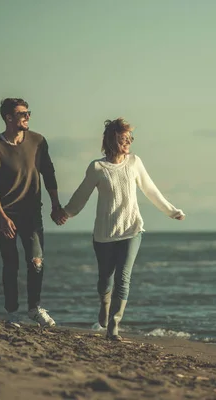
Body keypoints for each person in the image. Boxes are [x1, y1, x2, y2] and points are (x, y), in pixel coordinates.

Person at [54, 118, 185, 341]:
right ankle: (104, 304)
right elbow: (81, 194)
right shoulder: (97, 167)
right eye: (124, 138)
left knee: (123, 278)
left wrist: (172, 211)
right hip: (104, 233)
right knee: (106, 278)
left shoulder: (134, 162)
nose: (128, 142)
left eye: (130, 138)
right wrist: (66, 212)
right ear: (113, 139)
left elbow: (150, 190)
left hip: (132, 229)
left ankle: (113, 326)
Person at [0, 98, 61, 328]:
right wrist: (1, 217)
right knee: (11, 263)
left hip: (32, 214)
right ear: (9, 118)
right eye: (22, 113)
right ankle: (12, 313)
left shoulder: (38, 141)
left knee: (36, 261)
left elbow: (49, 173)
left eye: (28, 112)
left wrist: (55, 205)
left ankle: (34, 308)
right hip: (5, 215)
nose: (27, 116)